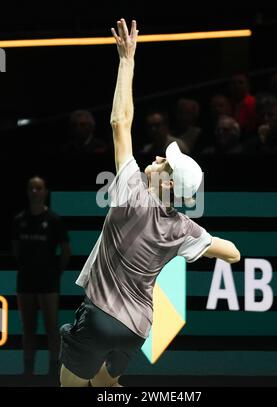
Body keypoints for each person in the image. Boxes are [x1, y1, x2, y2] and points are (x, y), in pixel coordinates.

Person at [59, 18, 241, 388]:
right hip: (137, 330)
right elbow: (234, 253)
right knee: (108, 387)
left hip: (99, 319)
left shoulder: (130, 189)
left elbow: (119, 121)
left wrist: (127, 60)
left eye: (164, 163)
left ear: (168, 182)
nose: (156, 159)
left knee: (71, 386)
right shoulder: (183, 229)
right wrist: (204, 244)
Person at [12, 176, 71, 383]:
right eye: (31, 188)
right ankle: (28, 372)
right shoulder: (19, 220)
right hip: (25, 282)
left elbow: (65, 250)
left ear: (45, 191)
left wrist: (56, 273)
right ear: (27, 192)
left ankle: (53, 371)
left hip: (48, 283)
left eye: (39, 188)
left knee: (51, 327)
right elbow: (16, 249)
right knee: (28, 328)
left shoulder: (54, 220)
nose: (35, 191)